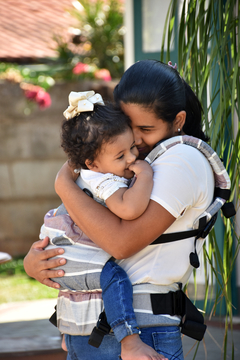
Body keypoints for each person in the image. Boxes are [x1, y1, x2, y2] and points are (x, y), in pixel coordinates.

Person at [24, 59, 216, 360]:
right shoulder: (130, 163)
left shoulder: (182, 159)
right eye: (129, 126)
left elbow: (120, 243)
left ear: (177, 120)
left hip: (139, 332)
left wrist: (64, 185)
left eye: (146, 128)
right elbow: (79, 224)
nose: (136, 140)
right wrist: (39, 260)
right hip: (88, 328)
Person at [40, 90, 167, 359]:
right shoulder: (102, 179)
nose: (132, 158)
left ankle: (68, 333)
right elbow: (129, 209)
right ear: (92, 163)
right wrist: (145, 175)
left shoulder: (95, 171)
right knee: (115, 279)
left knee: (75, 289)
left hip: (68, 246)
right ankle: (129, 340)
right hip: (75, 246)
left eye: (132, 147)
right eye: (120, 156)